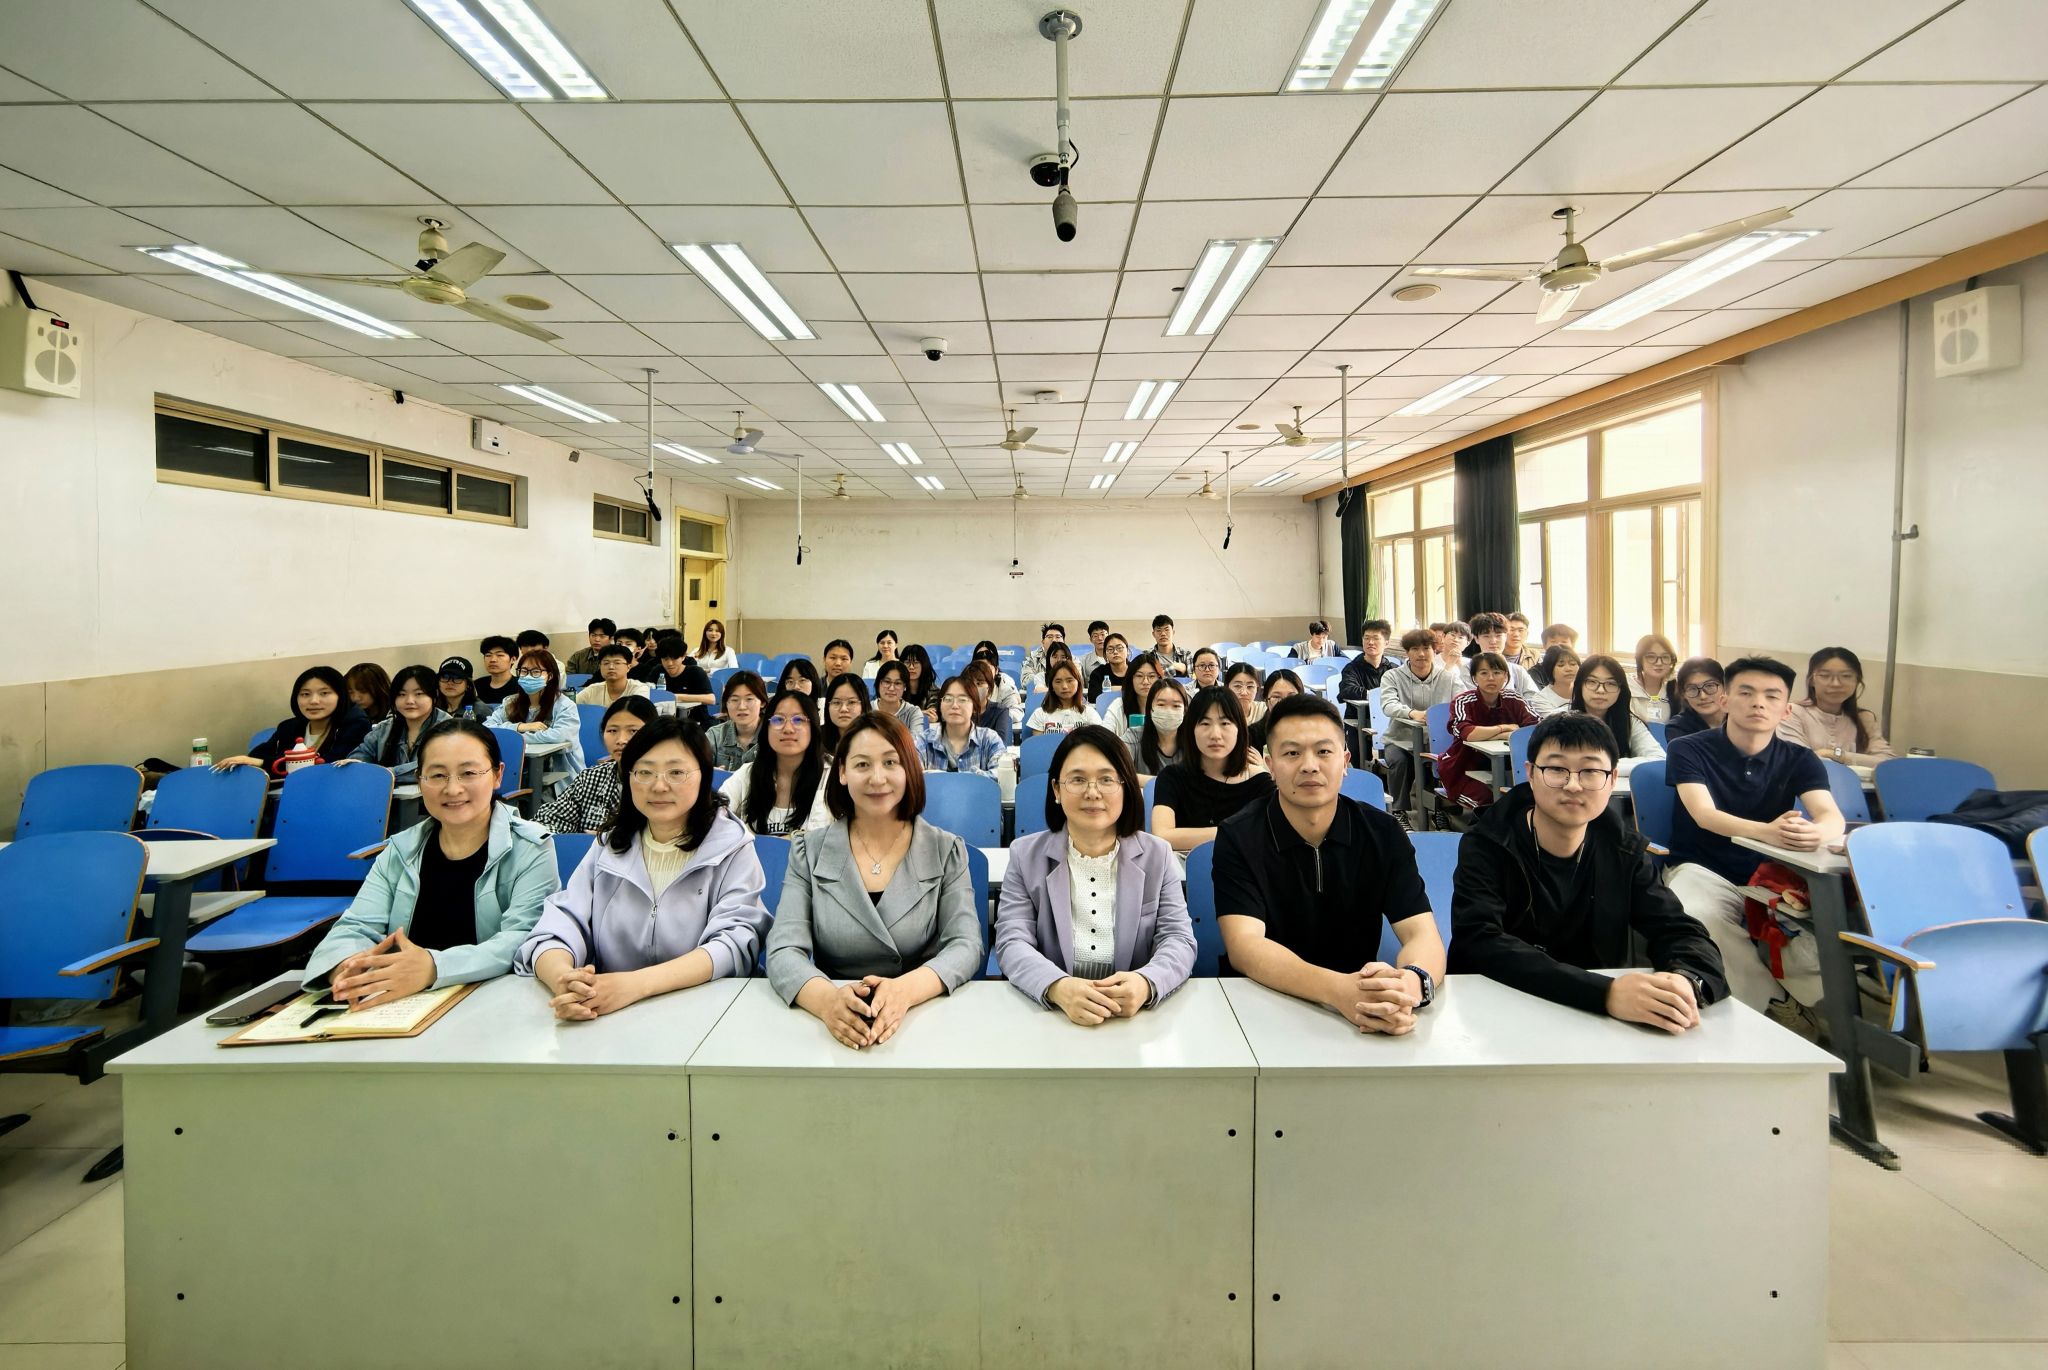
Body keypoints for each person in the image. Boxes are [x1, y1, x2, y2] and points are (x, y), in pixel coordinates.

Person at [1449, 713, 1727, 1028]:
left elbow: (1679, 931)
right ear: (1530, 774)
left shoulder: (1624, 850)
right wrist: (1605, 994)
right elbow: (1478, 942)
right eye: (1556, 769)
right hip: (1496, 1012)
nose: (1573, 785)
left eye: (1591, 771)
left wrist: (1686, 980)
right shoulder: (1488, 843)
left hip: (1593, 1022)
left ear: (1612, 778)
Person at [1213, 694, 1446, 1033]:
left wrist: (1409, 986)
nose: (1310, 765)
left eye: (1324, 751)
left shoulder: (1382, 833)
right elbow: (1245, 946)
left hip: (1359, 1013)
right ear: (1270, 765)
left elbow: (1421, 932)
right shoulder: (1239, 836)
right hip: (1262, 1008)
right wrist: (1338, 991)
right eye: (1292, 753)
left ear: (1345, 761)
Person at [517, 718, 770, 1019]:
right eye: (645, 772)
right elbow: (560, 923)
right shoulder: (610, 845)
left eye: (676, 772)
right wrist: (566, 981)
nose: (659, 786)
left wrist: (635, 986)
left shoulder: (731, 847)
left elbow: (734, 944)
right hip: (610, 1014)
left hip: (707, 1014)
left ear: (704, 776)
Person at [765, 713, 983, 1049]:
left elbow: (965, 945)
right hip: (835, 1020)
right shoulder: (809, 851)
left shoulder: (945, 849)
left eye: (891, 762)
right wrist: (826, 1001)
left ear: (909, 769)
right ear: (842, 772)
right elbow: (783, 949)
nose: (877, 778)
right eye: (862, 765)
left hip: (922, 1016)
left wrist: (904, 992)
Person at [301, 720, 558, 1005]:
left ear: (498, 775)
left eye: (468, 773)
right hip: (403, 1005)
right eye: (437, 775)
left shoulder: (530, 847)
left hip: (492, 1002)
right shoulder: (400, 850)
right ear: (419, 780)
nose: (453, 789)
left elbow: (522, 938)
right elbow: (355, 926)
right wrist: (347, 967)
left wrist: (434, 968)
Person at [1665, 657, 1844, 1028]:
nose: (1758, 703)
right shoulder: (1688, 748)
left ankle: (1822, 1009)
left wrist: (1818, 832)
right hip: (1701, 868)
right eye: (1746, 693)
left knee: (1824, 922)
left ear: (1786, 709)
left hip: (1769, 875)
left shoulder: (1799, 758)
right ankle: (1775, 1003)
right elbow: (1704, 814)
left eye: (1771, 696)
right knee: (1697, 913)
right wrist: (1768, 832)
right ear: (1725, 700)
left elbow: (1831, 816)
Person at [995, 725, 1197, 1021]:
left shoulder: (1158, 855)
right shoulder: (1025, 856)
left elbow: (1178, 939)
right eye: (1077, 780)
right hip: (1052, 1015)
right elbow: (1012, 941)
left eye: (1106, 779)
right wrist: (1057, 987)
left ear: (1126, 787)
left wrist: (1146, 982)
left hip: (1134, 1018)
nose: (1092, 792)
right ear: (1056, 790)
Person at [1151, 687, 1274, 852]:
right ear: (1191, 729)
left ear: (1239, 728)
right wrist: (1237, 832)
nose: (1215, 735)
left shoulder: (1259, 781)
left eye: (1225, 723)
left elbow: (1269, 836)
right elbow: (1162, 836)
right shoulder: (1172, 777)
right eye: (1205, 723)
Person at [535, 695, 658, 834]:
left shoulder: (663, 784)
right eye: (612, 730)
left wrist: (608, 838)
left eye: (633, 731)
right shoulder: (591, 777)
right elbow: (552, 819)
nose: (621, 740)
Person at [215, 666, 371, 773]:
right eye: (305, 694)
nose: (314, 701)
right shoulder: (289, 727)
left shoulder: (356, 724)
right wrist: (250, 760)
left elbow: (332, 764)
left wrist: (263, 763)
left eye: (324, 693)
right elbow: (257, 755)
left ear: (341, 696)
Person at [721, 688, 832, 836]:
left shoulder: (832, 777)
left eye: (798, 720)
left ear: (813, 727)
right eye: (778, 720)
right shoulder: (747, 774)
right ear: (767, 728)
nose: (788, 729)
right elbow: (714, 817)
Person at [1378, 630, 1463, 814]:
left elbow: (1463, 703)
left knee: (1450, 761)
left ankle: (1441, 812)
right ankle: (1399, 811)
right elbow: (1388, 704)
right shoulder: (1392, 676)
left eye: (1426, 648)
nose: (1421, 654)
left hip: (1437, 743)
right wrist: (1412, 713)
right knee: (1399, 761)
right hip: (1399, 739)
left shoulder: (1448, 678)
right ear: (1407, 652)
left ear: (1435, 650)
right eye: (1415, 649)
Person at [1441, 652, 1537, 811]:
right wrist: (1504, 729)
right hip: (1464, 770)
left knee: (1526, 797)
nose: (1491, 678)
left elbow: (1535, 728)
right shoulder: (1463, 701)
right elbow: (1469, 734)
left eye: (1497, 672)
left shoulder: (1514, 699)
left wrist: (1491, 733)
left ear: (1505, 676)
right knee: (1490, 801)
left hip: (1509, 769)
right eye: (1484, 673)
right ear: (1474, 678)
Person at [484, 648, 586, 793]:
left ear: (549, 676)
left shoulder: (564, 705)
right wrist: (520, 727)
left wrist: (514, 738)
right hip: (516, 773)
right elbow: (487, 729)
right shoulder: (510, 702)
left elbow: (560, 736)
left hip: (560, 780)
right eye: (524, 671)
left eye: (536, 672)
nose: (528, 676)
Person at [1780, 647, 1895, 766]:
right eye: (1825, 675)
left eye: (1846, 676)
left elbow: (1888, 762)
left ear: (1857, 681)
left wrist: (1834, 754)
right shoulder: (1791, 712)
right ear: (1811, 680)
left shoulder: (1864, 718)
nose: (1836, 684)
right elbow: (1800, 760)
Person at [343, 665, 451, 782]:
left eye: (418, 694)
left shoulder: (449, 728)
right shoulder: (385, 728)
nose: (409, 701)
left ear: (434, 696)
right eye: (402, 694)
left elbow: (432, 766)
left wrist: (386, 773)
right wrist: (359, 766)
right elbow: (358, 756)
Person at [1571, 655, 1664, 761]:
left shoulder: (1630, 722)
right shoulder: (1560, 719)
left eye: (1611, 683)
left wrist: (1602, 766)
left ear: (1621, 690)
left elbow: (1659, 758)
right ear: (1580, 685)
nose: (1601, 690)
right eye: (1592, 682)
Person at [916, 675, 1006, 774]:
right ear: (940, 705)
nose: (954, 705)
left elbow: (1001, 774)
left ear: (974, 707)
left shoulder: (989, 739)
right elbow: (913, 776)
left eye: (962, 699)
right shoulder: (924, 741)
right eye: (948, 699)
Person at [705, 670, 768, 771]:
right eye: (734, 700)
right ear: (726, 703)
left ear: (762, 702)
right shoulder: (715, 736)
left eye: (749, 699)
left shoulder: (775, 736)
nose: (742, 707)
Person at [1466, 613, 1540, 698]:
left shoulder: (1518, 670)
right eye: (1486, 636)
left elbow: (1534, 699)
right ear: (1476, 639)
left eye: (1498, 636)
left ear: (1505, 637)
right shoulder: (1467, 669)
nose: (1493, 641)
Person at [1132, 676, 1192, 776]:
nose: (1168, 711)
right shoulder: (1134, 737)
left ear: (1185, 711)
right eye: (1161, 704)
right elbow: (1118, 772)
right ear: (1150, 708)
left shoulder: (1194, 741)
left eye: (1176, 706)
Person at [1024, 659, 1101, 736]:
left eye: (1069, 680)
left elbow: (1098, 741)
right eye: (1058, 681)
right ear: (1051, 686)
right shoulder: (1040, 714)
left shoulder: (1089, 713)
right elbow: (1039, 743)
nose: (1064, 686)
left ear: (1078, 683)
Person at [1111, 652, 1165, 751]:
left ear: (1159, 679)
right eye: (1139, 676)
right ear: (1131, 678)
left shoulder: (1166, 706)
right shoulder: (1119, 705)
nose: (1145, 682)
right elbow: (1105, 735)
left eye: (1151, 676)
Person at [1665, 657, 1727, 742]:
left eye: (1709, 686)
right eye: (1692, 689)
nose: (1703, 696)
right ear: (1683, 694)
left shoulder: (1740, 718)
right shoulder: (1678, 728)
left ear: (1725, 686)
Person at [653, 634, 715, 719]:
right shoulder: (657, 671)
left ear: (683, 657)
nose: (669, 663)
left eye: (674, 658)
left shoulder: (695, 672)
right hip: (665, 720)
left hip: (696, 720)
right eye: (665, 659)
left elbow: (711, 699)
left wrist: (675, 697)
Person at [575, 643, 654, 707]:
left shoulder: (639, 689)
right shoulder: (592, 690)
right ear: (600, 666)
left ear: (628, 667)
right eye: (606, 663)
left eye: (617, 663)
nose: (611, 667)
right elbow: (572, 707)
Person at [1246, 668, 1304, 753]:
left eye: (1291, 697)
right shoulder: (1251, 736)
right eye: (1276, 697)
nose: (1285, 703)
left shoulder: (1313, 731)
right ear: (1266, 701)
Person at [1628, 634, 1680, 725]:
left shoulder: (1674, 689)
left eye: (1665, 657)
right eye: (1651, 657)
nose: (1659, 663)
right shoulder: (1627, 685)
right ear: (1640, 659)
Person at [970, 641, 1026, 726]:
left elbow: (1017, 713)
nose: (983, 672)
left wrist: (993, 717)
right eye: (979, 667)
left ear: (996, 670)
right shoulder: (964, 685)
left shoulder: (1004, 687)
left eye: (988, 668)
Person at [1337, 619, 1393, 701]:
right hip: (1362, 709)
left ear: (1386, 643)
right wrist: (1373, 695)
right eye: (1366, 638)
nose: (1370, 642)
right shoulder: (1351, 669)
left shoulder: (1392, 669)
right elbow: (1347, 690)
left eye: (1376, 638)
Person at [820, 672, 870, 756]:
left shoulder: (876, 738)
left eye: (851, 702)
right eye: (836, 702)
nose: (843, 709)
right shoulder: (816, 738)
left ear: (864, 704)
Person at [1528, 646, 1580, 718]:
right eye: (1561, 665)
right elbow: (1553, 721)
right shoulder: (1540, 699)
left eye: (1573, 664)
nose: (1568, 669)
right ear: (1549, 669)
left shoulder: (1587, 691)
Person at [474, 635, 522, 709]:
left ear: (513, 659)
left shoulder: (521, 686)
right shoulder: (476, 685)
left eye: (500, 655)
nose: (493, 660)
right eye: (488, 655)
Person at [872, 660, 920, 730]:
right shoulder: (866, 708)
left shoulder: (913, 712)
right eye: (887, 682)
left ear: (905, 686)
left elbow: (917, 736)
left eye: (897, 683)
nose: (891, 688)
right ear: (878, 684)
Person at [1086, 632, 1132, 700]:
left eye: (1119, 648)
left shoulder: (1136, 670)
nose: (1115, 652)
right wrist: (1127, 689)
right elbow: (1092, 697)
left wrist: (1109, 690)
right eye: (1110, 649)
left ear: (1127, 651)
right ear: (1105, 654)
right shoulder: (1098, 673)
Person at [345, 662, 392, 726]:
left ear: (378, 687)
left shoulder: (395, 716)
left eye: (363, 691)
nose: (356, 698)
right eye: (350, 692)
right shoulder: (350, 716)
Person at [1021, 623, 1065, 689]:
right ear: (1043, 642)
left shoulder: (1071, 658)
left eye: (1058, 637)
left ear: (1063, 641)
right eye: (1049, 637)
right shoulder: (1033, 658)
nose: (1054, 640)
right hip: (1039, 694)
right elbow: (1026, 681)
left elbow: (1076, 680)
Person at [435, 656, 481, 720]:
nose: (450, 682)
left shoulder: (480, 711)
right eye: (445, 677)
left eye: (457, 678)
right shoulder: (432, 708)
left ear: (468, 685)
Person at [899, 645, 936, 709]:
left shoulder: (933, 691)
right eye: (907, 662)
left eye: (916, 662)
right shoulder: (896, 689)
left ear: (924, 665)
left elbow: (931, 713)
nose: (911, 667)